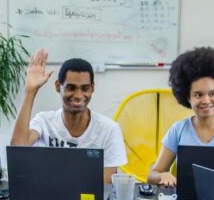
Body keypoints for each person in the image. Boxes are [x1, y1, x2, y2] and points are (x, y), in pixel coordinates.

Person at [10, 49, 127, 184]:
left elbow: (105, 185)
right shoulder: (44, 121)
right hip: (48, 198)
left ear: (92, 88)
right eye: (71, 87)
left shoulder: (109, 129)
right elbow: (17, 147)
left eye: (85, 88)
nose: (78, 95)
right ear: (58, 86)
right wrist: (30, 91)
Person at [147, 47, 214, 187]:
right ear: (188, 97)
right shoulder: (178, 129)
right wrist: (162, 175)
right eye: (198, 95)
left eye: (212, 93)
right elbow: (152, 175)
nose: (206, 100)